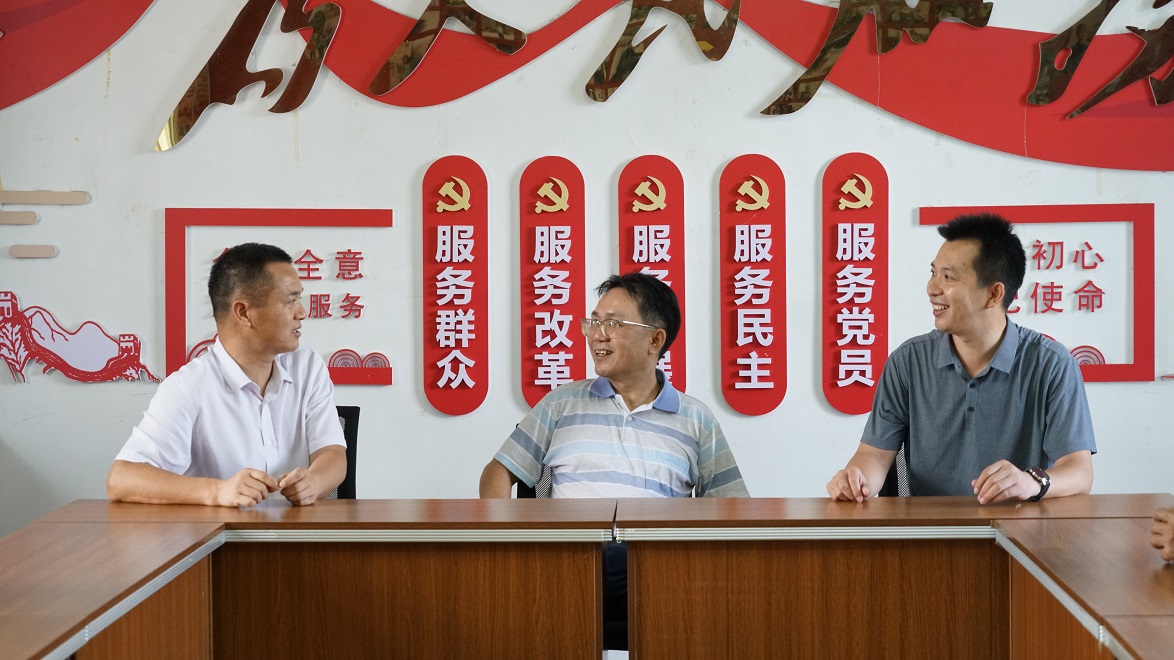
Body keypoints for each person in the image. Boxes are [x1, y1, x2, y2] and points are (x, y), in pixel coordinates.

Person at [479, 271, 747, 650]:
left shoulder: (695, 419)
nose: (596, 335)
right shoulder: (561, 404)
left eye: (613, 324)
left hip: (655, 565)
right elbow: (499, 471)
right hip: (568, 559)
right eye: (593, 322)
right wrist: (502, 539)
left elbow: (732, 507)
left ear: (655, 339)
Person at [827, 213, 1095, 503]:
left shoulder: (1051, 364)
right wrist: (856, 480)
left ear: (994, 294)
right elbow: (874, 454)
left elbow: (1080, 471)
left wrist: (1031, 481)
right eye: (933, 273)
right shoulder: (908, 362)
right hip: (926, 528)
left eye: (949, 277)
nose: (932, 288)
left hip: (1018, 526)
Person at [107, 243, 346, 507]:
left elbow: (332, 452)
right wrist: (218, 491)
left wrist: (314, 483)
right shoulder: (188, 387)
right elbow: (122, 479)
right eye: (290, 301)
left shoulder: (307, 367)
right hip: (224, 532)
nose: (302, 312)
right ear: (243, 312)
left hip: (297, 531)